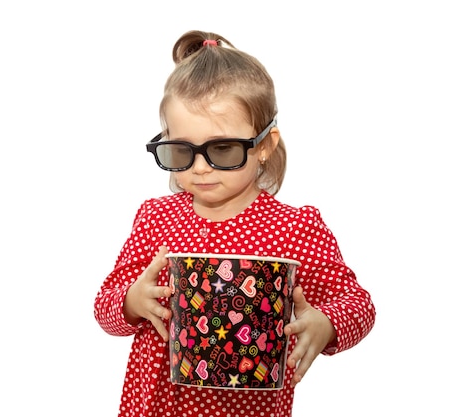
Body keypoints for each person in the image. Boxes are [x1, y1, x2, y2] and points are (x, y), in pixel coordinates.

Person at [94, 29, 376, 417]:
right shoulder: (155, 217)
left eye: (222, 149)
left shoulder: (295, 227)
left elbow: (357, 303)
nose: (199, 167)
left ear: (264, 146)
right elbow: (105, 304)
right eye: (182, 150)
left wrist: (325, 324)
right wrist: (131, 301)